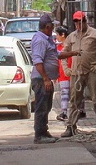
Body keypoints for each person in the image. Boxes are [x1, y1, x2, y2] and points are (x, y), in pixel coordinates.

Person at [59, 10, 96, 137]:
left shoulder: (95, 34)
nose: (78, 25)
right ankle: (71, 126)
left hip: (91, 72)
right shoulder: (71, 37)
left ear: (85, 21)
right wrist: (66, 68)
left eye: (80, 22)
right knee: (74, 101)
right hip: (76, 73)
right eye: (76, 22)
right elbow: (63, 54)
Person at [30, 13, 60, 144]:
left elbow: (55, 54)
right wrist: (46, 79)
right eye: (52, 26)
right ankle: (39, 134)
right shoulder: (40, 40)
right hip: (41, 80)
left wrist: (72, 53)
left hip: (45, 79)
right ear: (47, 26)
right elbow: (38, 61)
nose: (53, 28)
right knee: (41, 107)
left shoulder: (47, 39)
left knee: (46, 107)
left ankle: (44, 131)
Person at [54, 26, 71, 122]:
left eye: (57, 34)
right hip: (62, 74)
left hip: (71, 73)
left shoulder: (69, 47)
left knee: (74, 95)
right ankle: (64, 112)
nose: (56, 36)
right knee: (64, 94)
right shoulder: (58, 47)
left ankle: (80, 111)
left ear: (63, 35)